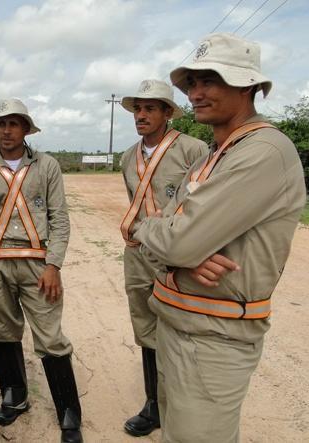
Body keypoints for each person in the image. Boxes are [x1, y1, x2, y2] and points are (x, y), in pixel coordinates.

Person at [133, 33, 306, 442]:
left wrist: (163, 236)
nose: (196, 92)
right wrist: (171, 244)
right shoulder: (216, 153)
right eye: (191, 82)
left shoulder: (263, 151)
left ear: (247, 85)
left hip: (213, 337)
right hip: (179, 325)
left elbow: (172, 237)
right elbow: (166, 241)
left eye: (210, 79)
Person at [0, 98, 83, 443]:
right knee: (1, 331)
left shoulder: (47, 167)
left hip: (37, 265)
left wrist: (54, 265)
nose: (6, 130)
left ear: (26, 129)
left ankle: (69, 412)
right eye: (0, 124)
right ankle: (14, 396)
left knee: (50, 337)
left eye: (13, 123)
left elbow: (60, 219)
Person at [119, 79, 207, 437]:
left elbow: (204, 207)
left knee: (186, 326)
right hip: (139, 253)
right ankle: (154, 404)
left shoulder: (193, 150)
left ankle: (188, 404)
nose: (141, 115)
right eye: (138, 108)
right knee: (146, 327)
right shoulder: (128, 157)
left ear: (168, 113)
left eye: (150, 108)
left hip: (178, 256)